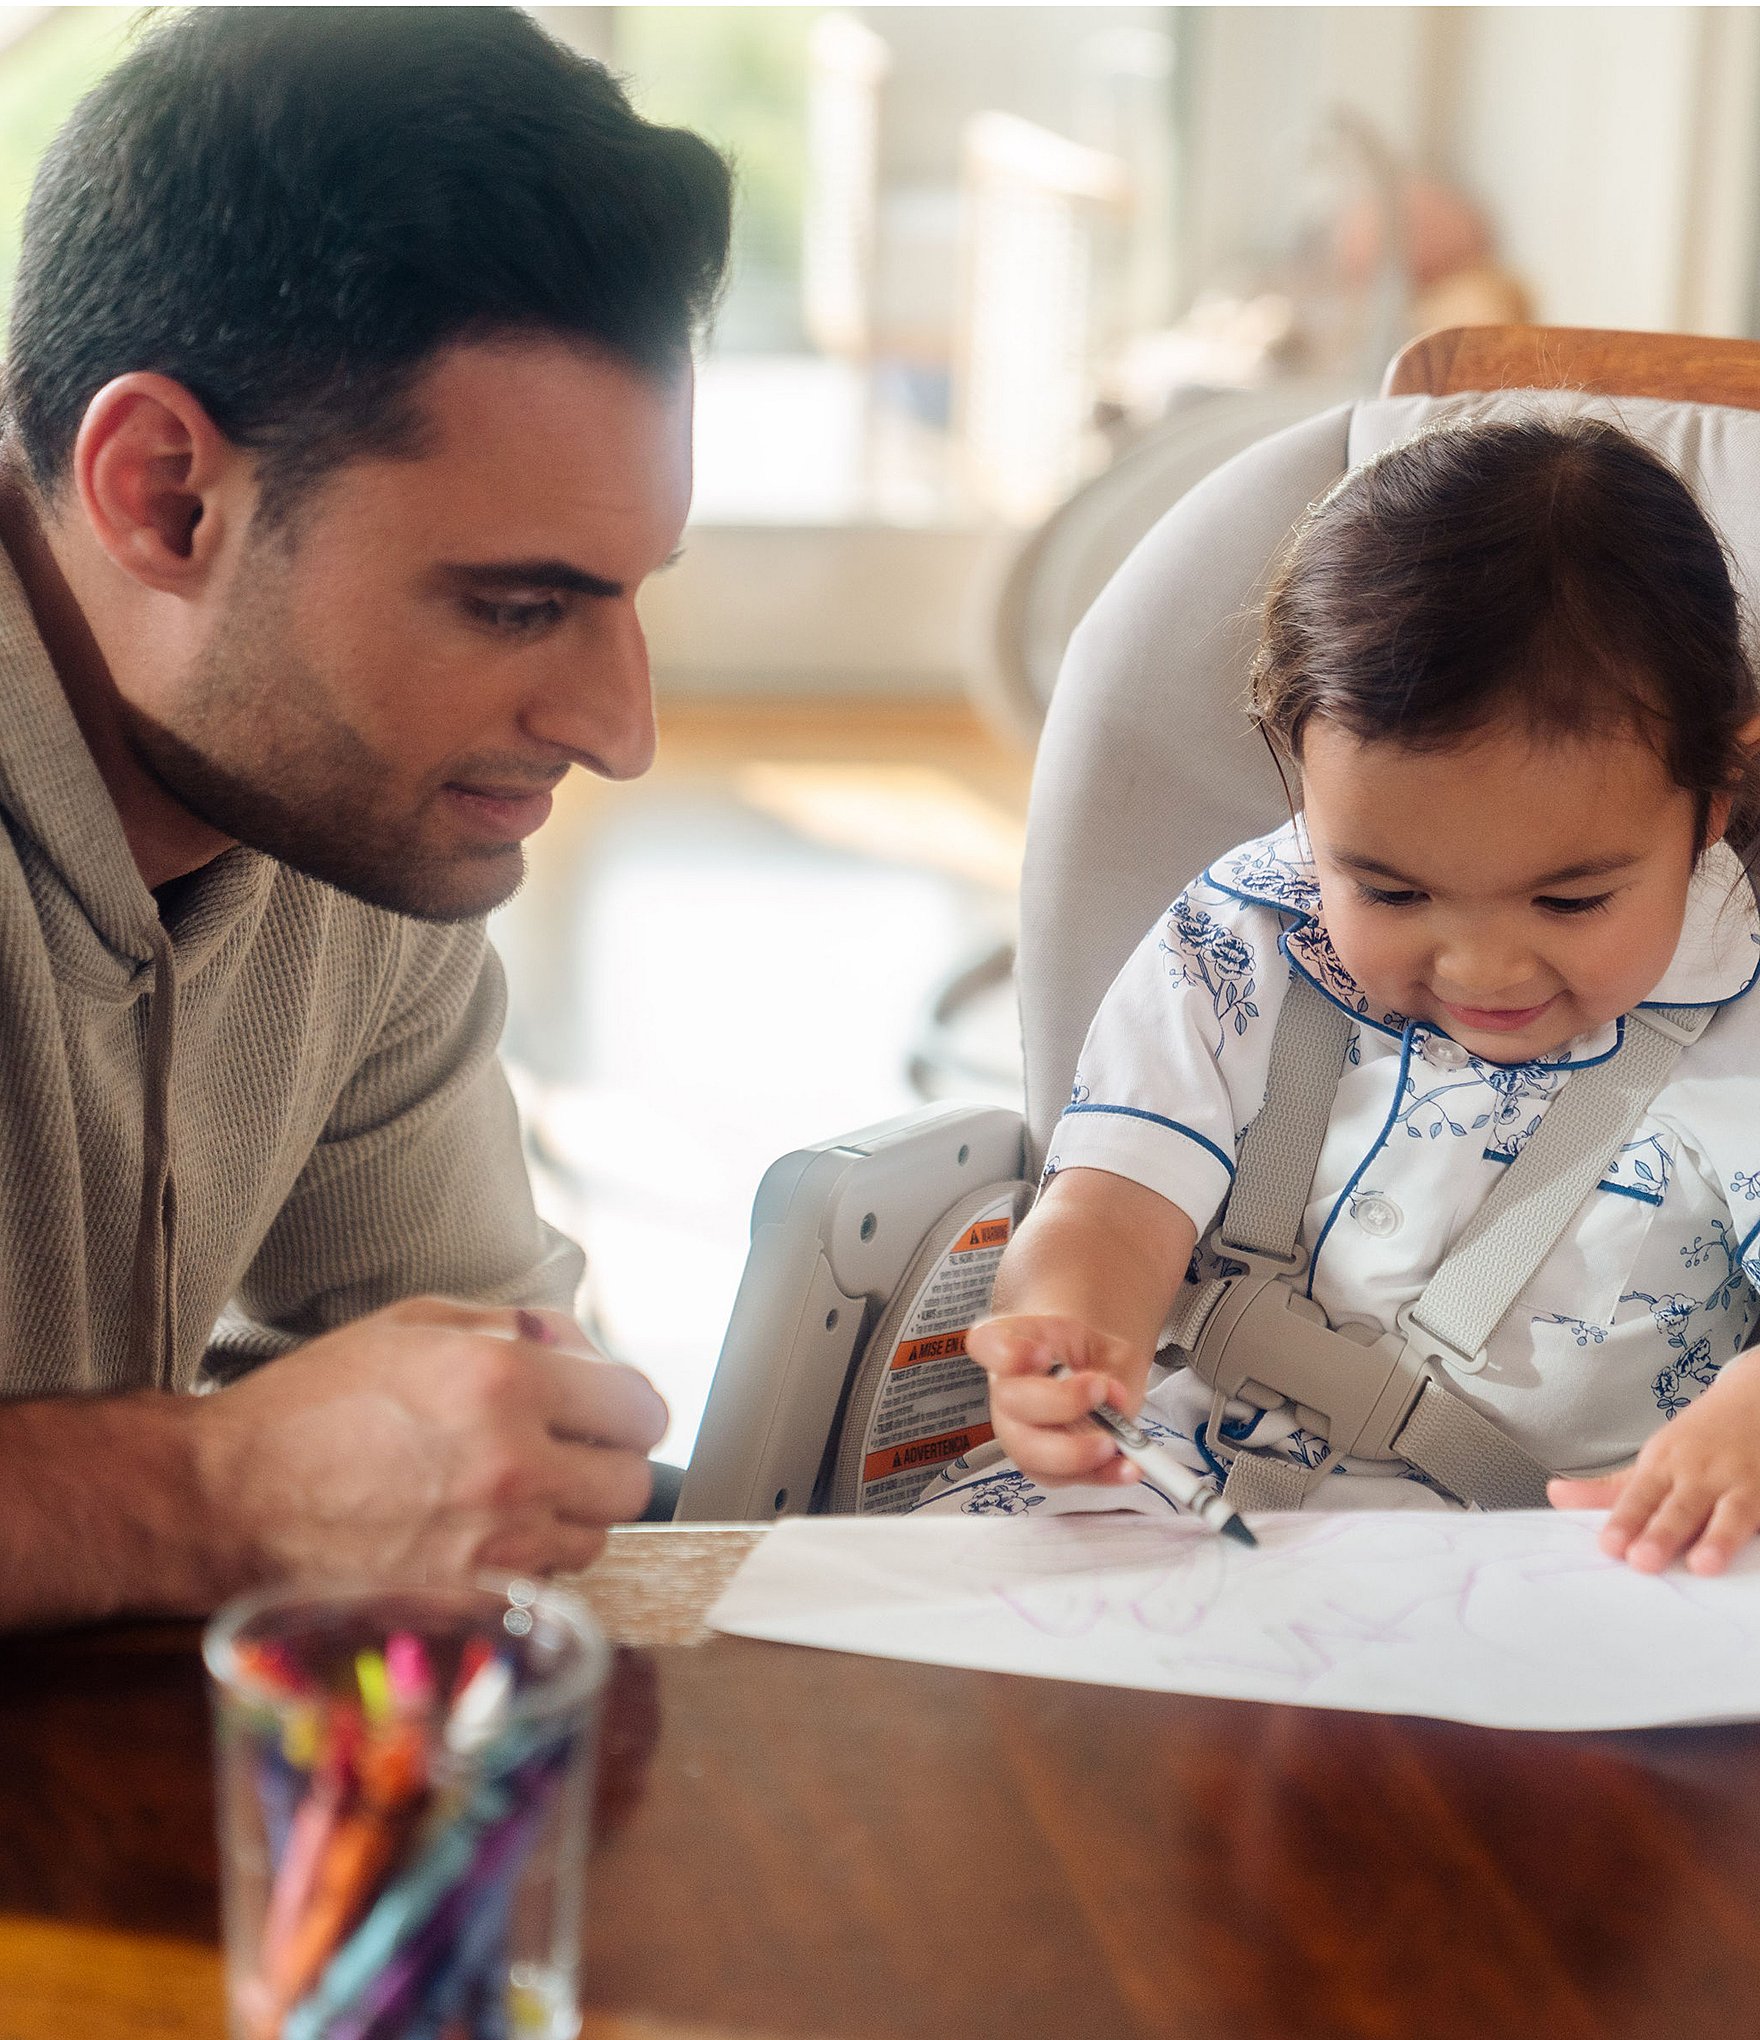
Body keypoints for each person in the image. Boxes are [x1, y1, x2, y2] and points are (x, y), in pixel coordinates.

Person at [0, 6, 732, 1625]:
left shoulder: (353, 818)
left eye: (626, 597)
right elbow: (269, 1491)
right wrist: (217, 1492)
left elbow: (458, 1408)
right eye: (517, 605)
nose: (623, 731)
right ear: (163, 495)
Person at [942, 414, 1760, 1577]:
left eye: (1569, 902)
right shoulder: (1244, 939)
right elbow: (1108, 1207)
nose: (1480, 969)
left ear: (1714, 792)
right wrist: (1065, 1336)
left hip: (1574, 1560)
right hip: (1181, 1502)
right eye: (1387, 888)